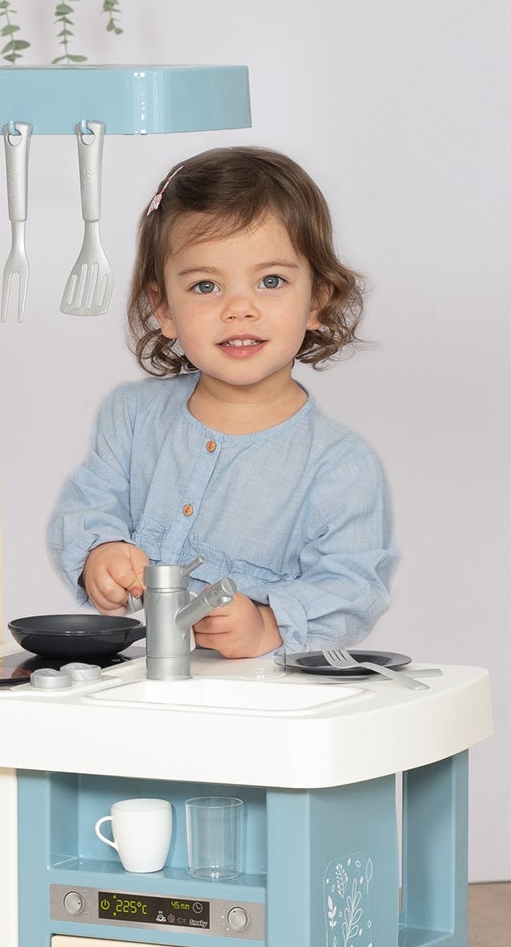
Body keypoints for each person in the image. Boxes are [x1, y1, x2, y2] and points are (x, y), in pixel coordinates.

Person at [47, 145, 399, 658]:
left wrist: (268, 624)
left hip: (264, 693)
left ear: (317, 300)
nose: (239, 308)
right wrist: (101, 552)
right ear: (164, 309)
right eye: (206, 285)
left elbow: (354, 586)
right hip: (144, 684)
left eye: (271, 281)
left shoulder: (340, 464)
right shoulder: (132, 417)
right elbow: (88, 503)